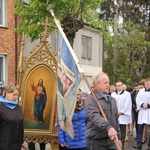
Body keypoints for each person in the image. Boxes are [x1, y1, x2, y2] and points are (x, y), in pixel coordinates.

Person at [84, 72, 121, 150]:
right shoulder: (91, 99)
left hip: (112, 140)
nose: (108, 85)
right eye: (105, 83)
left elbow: (116, 120)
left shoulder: (112, 100)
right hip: (97, 141)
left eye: (108, 82)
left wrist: (119, 138)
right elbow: (94, 116)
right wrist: (108, 127)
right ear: (97, 84)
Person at [0, 85, 27, 150]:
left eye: (17, 95)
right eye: (14, 95)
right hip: (4, 143)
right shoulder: (1, 107)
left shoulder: (18, 107)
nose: (16, 97)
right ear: (7, 94)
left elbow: (21, 124)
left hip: (16, 144)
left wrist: (21, 140)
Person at [111, 81, 132, 150]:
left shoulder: (127, 94)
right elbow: (111, 104)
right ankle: (115, 145)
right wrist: (115, 112)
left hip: (123, 115)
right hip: (115, 115)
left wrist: (122, 112)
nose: (118, 87)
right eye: (117, 85)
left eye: (119, 85)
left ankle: (121, 145)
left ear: (123, 86)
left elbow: (128, 104)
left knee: (122, 131)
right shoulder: (113, 94)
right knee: (115, 130)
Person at [133, 78, 150, 150]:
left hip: (149, 111)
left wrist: (148, 105)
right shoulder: (141, 91)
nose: (147, 85)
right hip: (142, 111)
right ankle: (139, 144)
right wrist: (142, 104)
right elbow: (137, 99)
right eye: (146, 84)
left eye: (148, 84)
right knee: (140, 129)